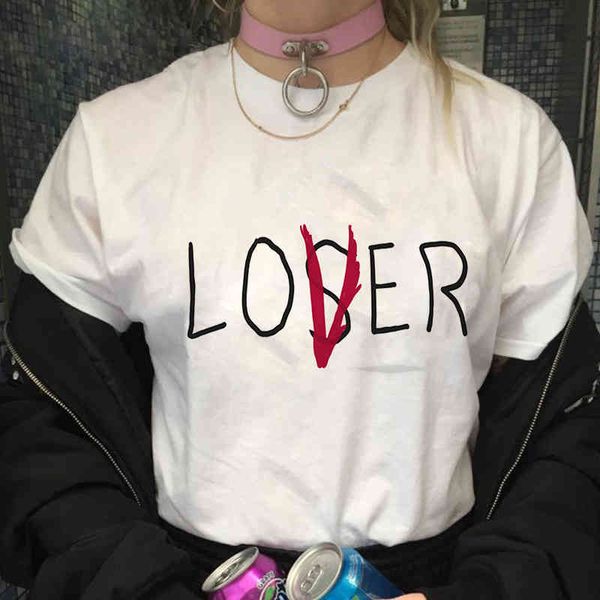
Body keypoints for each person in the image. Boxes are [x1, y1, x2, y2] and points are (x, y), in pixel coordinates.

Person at [0, 1, 599, 599]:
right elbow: (42, 432)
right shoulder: (116, 139)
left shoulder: (509, 140)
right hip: (183, 580)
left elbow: (566, 437)